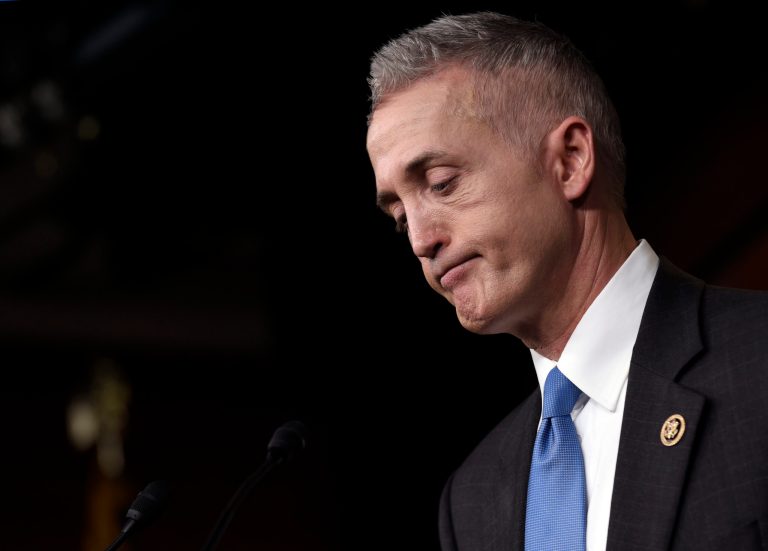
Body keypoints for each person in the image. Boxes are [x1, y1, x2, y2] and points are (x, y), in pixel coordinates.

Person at [365, 11, 768, 551]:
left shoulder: (759, 363)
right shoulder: (472, 500)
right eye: (399, 217)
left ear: (571, 161)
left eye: (441, 183)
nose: (419, 239)